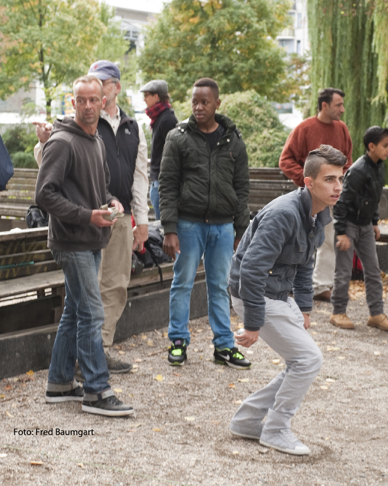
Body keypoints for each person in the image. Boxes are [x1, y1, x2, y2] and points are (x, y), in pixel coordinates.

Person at [228, 144, 346, 456]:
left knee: (300, 361)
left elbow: (305, 264)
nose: (338, 187)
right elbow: (251, 270)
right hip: (254, 295)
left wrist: (304, 307)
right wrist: (253, 324)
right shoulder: (283, 214)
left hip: (276, 294)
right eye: (330, 180)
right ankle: (276, 429)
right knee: (308, 360)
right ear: (309, 182)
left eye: (340, 179)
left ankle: (247, 421)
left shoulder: (318, 213)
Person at [34, 61, 150, 374]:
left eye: (99, 89)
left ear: (113, 89)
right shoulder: (73, 126)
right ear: (75, 102)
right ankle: (92, 372)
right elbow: (48, 171)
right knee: (89, 300)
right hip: (82, 225)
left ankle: (100, 350)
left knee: (114, 287)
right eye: (83, 98)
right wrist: (43, 141)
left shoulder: (131, 126)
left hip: (118, 216)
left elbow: (141, 175)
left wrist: (141, 219)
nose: (89, 103)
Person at [160, 77, 250, 369]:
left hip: (222, 227)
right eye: (194, 102)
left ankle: (224, 346)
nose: (198, 107)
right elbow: (167, 184)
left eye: (205, 102)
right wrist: (169, 228)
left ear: (217, 103)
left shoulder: (233, 139)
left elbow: (241, 188)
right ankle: (178, 341)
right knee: (182, 282)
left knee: (220, 286)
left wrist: (241, 230)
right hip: (188, 225)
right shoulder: (177, 137)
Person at [279, 87, 353, 302]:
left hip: (332, 197)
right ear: (324, 105)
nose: (342, 109)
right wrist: (309, 182)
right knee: (298, 239)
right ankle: (288, 282)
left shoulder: (342, 129)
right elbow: (285, 160)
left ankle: (321, 285)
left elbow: (347, 162)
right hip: (306, 196)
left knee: (328, 240)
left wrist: (336, 184)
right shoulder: (304, 128)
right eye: (338, 105)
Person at [330, 126, 388, 331]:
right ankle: (338, 312)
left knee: (373, 271)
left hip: (365, 225)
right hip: (348, 225)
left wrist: (374, 222)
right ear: (372, 146)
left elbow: (374, 198)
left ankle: (376, 314)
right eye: (385, 146)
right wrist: (341, 232)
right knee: (344, 271)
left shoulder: (379, 167)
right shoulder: (358, 170)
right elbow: (341, 202)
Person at [140, 79, 178, 222]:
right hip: (158, 181)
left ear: (156, 97)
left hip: (163, 184)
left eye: (146, 95)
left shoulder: (167, 120)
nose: (144, 99)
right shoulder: (159, 118)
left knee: (162, 226)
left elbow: (174, 153)